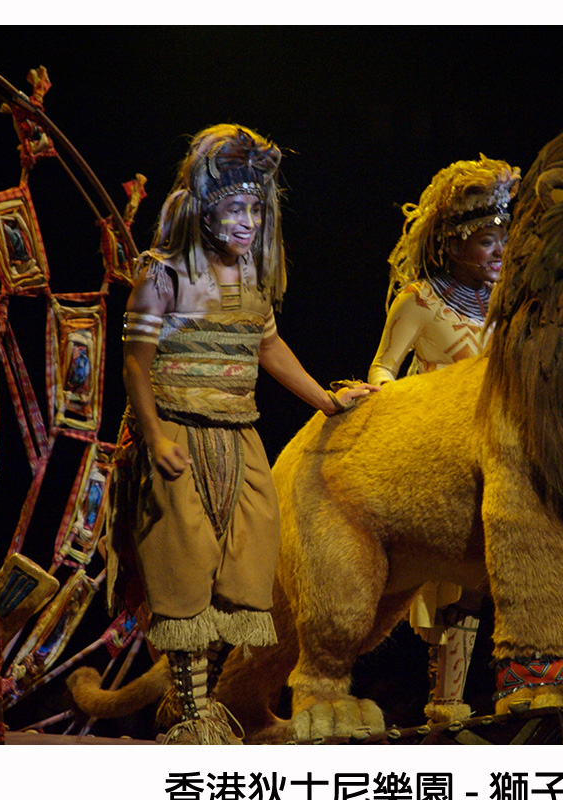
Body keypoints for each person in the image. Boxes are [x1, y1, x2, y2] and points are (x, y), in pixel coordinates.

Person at [108, 124, 376, 744]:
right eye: (235, 208)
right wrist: (155, 438)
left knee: (243, 565)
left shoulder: (250, 276)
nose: (248, 222)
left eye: (256, 209)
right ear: (204, 209)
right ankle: (193, 716)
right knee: (184, 565)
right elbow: (135, 367)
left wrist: (328, 401)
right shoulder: (162, 274)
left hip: (238, 435)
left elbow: (268, 346)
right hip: (179, 434)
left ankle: (195, 703)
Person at [367, 156, 520, 722]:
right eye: (486, 241)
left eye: (503, 240)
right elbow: (383, 368)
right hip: (436, 453)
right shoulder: (419, 301)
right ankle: (445, 707)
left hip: (497, 454)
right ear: (453, 245)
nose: (499, 252)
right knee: (449, 582)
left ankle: (468, 702)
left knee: (484, 580)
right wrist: (391, 406)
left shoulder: (507, 306)